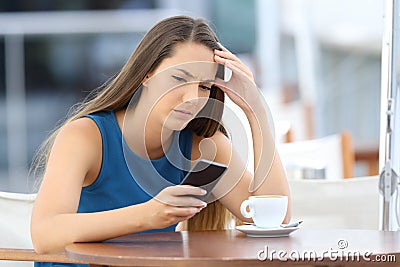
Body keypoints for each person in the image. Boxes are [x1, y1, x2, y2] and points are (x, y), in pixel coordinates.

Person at [30, 15, 291, 267]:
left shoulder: (202, 145)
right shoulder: (86, 136)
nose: (192, 98)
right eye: (179, 79)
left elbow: (273, 222)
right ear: (147, 73)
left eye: (204, 86)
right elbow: (44, 234)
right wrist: (147, 215)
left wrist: (255, 110)